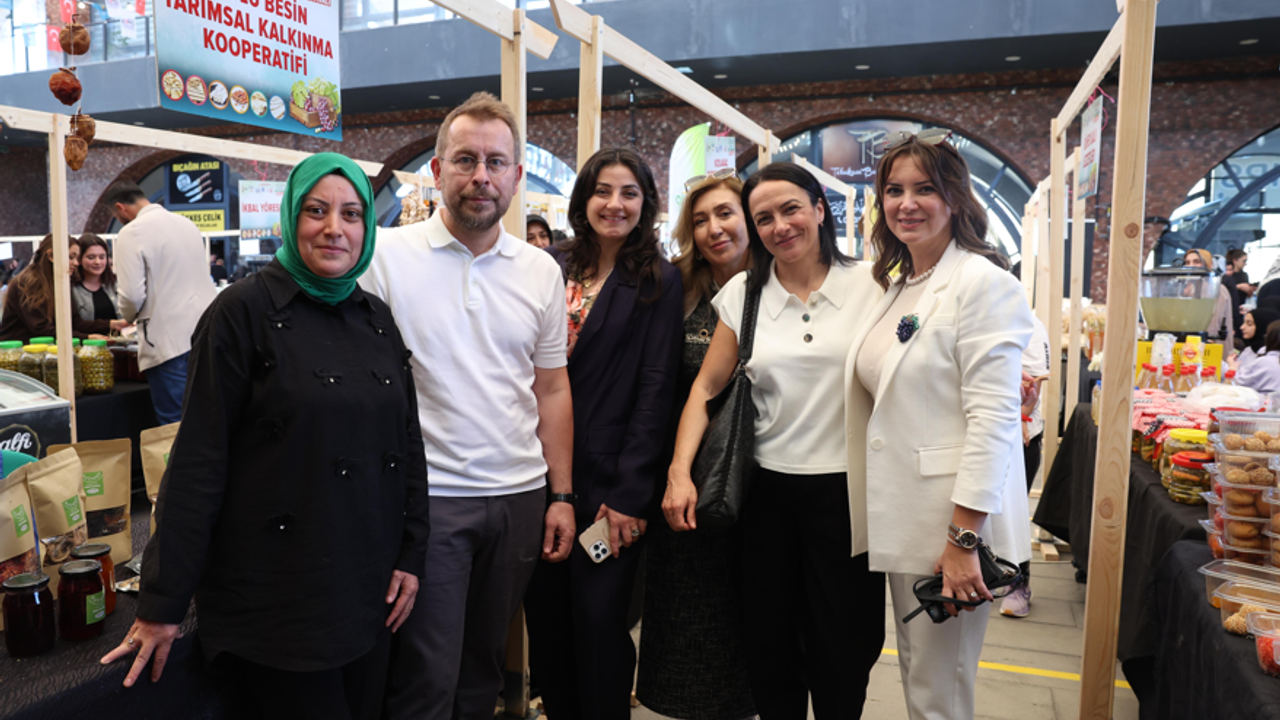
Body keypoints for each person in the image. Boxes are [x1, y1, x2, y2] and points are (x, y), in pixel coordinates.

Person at [100, 153, 431, 720]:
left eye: (352, 214)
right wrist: (162, 601)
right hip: (281, 600)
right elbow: (199, 461)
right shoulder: (240, 313)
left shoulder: (376, 317)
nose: (335, 228)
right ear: (290, 217)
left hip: (368, 588)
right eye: (316, 211)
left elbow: (407, 445)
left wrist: (412, 552)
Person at [358, 92, 576, 720]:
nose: (482, 175)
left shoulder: (540, 270)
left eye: (496, 162)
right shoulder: (385, 256)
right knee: (425, 675)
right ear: (437, 170)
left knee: (484, 671)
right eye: (465, 160)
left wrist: (561, 495)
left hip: (518, 498)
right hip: (430, 500)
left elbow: (551, 388)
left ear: (517, 176)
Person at [666, 162, 885, 719]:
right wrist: (679, 472)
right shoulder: (745, 292)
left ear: (819, 209)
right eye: (764, 217)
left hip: (849, 495)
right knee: (769, 646)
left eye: (791, 209)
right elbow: (705, 388)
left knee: (845, 646)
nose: (779, 226)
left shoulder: (874, 285)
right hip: (765, 494)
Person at [846, 130, 1032, 720]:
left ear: (954, 197)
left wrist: (962, 541)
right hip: (904, 514)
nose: (907, 203)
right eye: (894, 190)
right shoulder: (899, 284)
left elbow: (994, 420)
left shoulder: (982, 283)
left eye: (924, 189)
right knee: (919, 676)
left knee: (939, 695)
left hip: (949, 526)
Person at [523, 148, 682, 720]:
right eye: (602, 191)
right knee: (547, 621)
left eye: (629, 193)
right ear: (583, 199)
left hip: (609, 484)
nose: (615, 204)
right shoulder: (548, 264)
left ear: (646, 204)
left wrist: (631, 495)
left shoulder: (658, 279)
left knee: (599, 623)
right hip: (535, 471)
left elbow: (656, 390)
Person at [636, 171, 754, 720]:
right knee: (684, 616)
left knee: (749, 616)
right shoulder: (678, 289)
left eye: (725, 214)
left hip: (760, 477)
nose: (714, 229)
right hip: (685, 479)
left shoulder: (776, 284)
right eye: (701, 220)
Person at [104, 182, 217, 423]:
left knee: (174, 426)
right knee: (206, 418)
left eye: (115, 215)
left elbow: (131, 296)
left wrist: (128, 317)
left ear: (120, 208)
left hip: (168, 342)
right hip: (207, 334)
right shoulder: (187, 224)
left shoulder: (131, 233)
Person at [1000, 315, 1050, 619]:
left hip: (1019, 433)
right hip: (971, 427)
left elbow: (1034, 381)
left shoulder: (1027, 321)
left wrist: (1020, 417)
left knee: (1014, 511)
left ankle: (1018, 584)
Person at [0, 233, 121, 341]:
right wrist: (87, 337)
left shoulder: (60, 280)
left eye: (76, 258)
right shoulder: (28, 283)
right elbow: (41, 329)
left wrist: (111, 324)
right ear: (51, 256)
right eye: (71, 257)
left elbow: (74, 322)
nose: (76, 263)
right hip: (19, 351)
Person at [1183, 248, 1235, 351]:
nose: (1191, 266)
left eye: (1196, 262)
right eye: (1187, 262)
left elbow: (1214, 324)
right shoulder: (1188, 289)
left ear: (1208, 265)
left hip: (1211, 345)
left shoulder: (1217, 289)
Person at [72, 233, 126, 332]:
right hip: (86, 341)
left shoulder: (117, 283)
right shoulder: (71, 288)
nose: (97, 262)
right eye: (91, 257)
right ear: (79, 259)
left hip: (121, 341)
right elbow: (74, 324)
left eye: (102, 257)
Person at [1227, 307, 1280, 391]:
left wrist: (1232, 368)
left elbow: (1239, 382)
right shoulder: (1249, 350)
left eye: (1249, 324)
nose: (1242, 327)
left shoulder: (1265, 358)